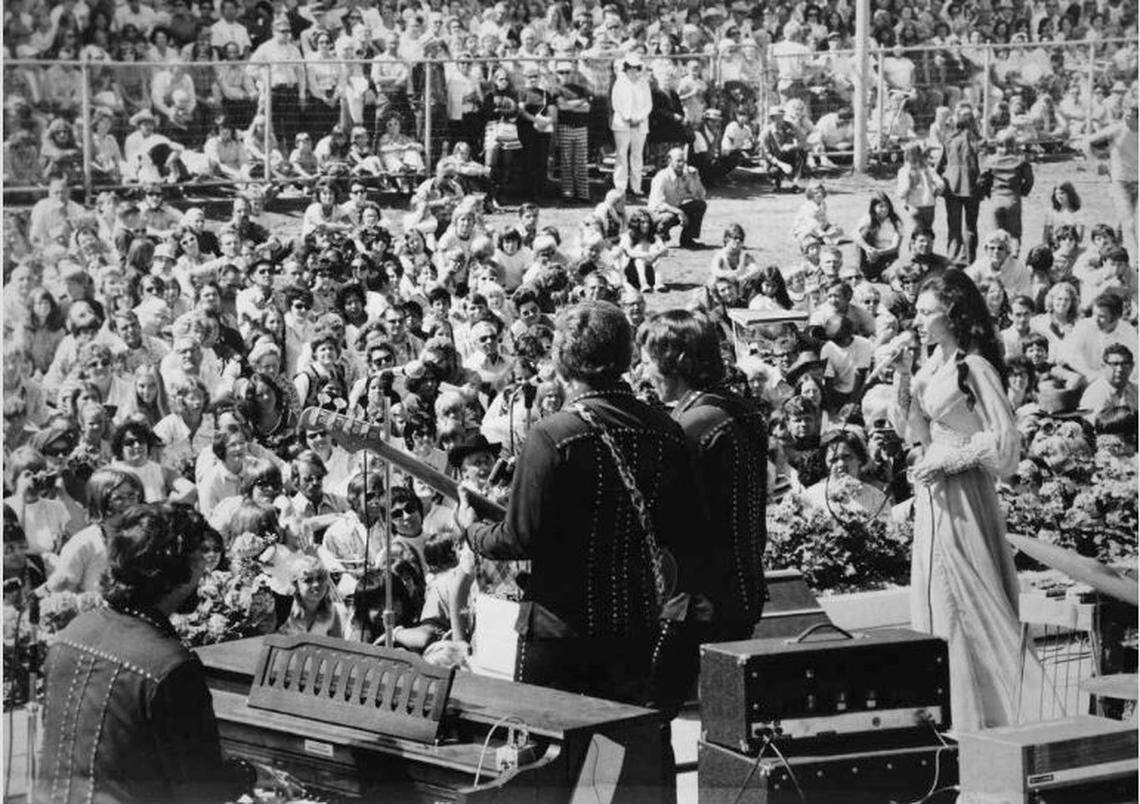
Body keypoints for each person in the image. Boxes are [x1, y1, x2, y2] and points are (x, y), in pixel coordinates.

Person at [455, 301, 702, 706]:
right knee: (629, 749)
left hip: (560, 632)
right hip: (635, 624)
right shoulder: (668, 431)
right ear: (625, 356)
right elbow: (680, 533)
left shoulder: (551, 435)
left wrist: (471, 529)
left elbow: (518, 540)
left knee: (549, 754)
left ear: (563, 360)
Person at [888, 269, 1042, 732]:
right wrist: (902, 376)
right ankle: (953, 713)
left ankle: (995, 717)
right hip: (935, 495)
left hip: (963, 493)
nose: (916, 319)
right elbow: (912, 432)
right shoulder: (934, 364)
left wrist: (950, 461)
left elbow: (1005, 444)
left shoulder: (973, 366)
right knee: (937, 593)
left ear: (952, 313)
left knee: (966, 595)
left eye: (926, 311)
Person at [38, 503, 249, 803]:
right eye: (200, 555)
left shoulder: (72, 634)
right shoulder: (172, 666)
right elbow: (202, 793)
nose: (205, 567)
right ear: (176, 569)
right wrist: (247, 774)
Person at [637, 309, 766, 648]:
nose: (643, 371)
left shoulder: (694, 426)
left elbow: (679, 519)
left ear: (674, 362)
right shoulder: (738, 408)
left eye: (647, 361)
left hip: (702, 602)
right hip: (739, 589)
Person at [937, 101, 984, 265]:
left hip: (952, 186)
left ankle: (953, 259)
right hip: (973, 187)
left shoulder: (949, 139)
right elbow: (985, 167)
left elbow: (940, 163)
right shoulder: (978, 140)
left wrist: (937, 181)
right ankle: (971, 260)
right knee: (971, 227)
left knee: (954, 226)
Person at [610, 52, 653, 197]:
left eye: (636, 68)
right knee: (621, 155)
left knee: (637, 155)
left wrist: (639, 118)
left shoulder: (644, 83)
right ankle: (620, 188)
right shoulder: (619, 83)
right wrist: (627, 117)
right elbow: (616, 104)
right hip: (622, 123)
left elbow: (648, 105)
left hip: (640, 124)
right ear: (626, 68)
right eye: (630, 68)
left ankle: (636, 187)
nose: (633, 71)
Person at [648, 147, 708, 249]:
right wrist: (679, 212)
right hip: (658, 215)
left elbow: (700, 196)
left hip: (675, 211)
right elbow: (658, 205)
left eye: (684, 161)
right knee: (668, 217)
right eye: (678, 161)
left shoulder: (685, 175)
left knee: (700, 205)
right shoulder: (661, 177)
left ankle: (687, 240)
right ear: (669, 161)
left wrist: (696, 178)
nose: (682, 164)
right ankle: (658, 241)